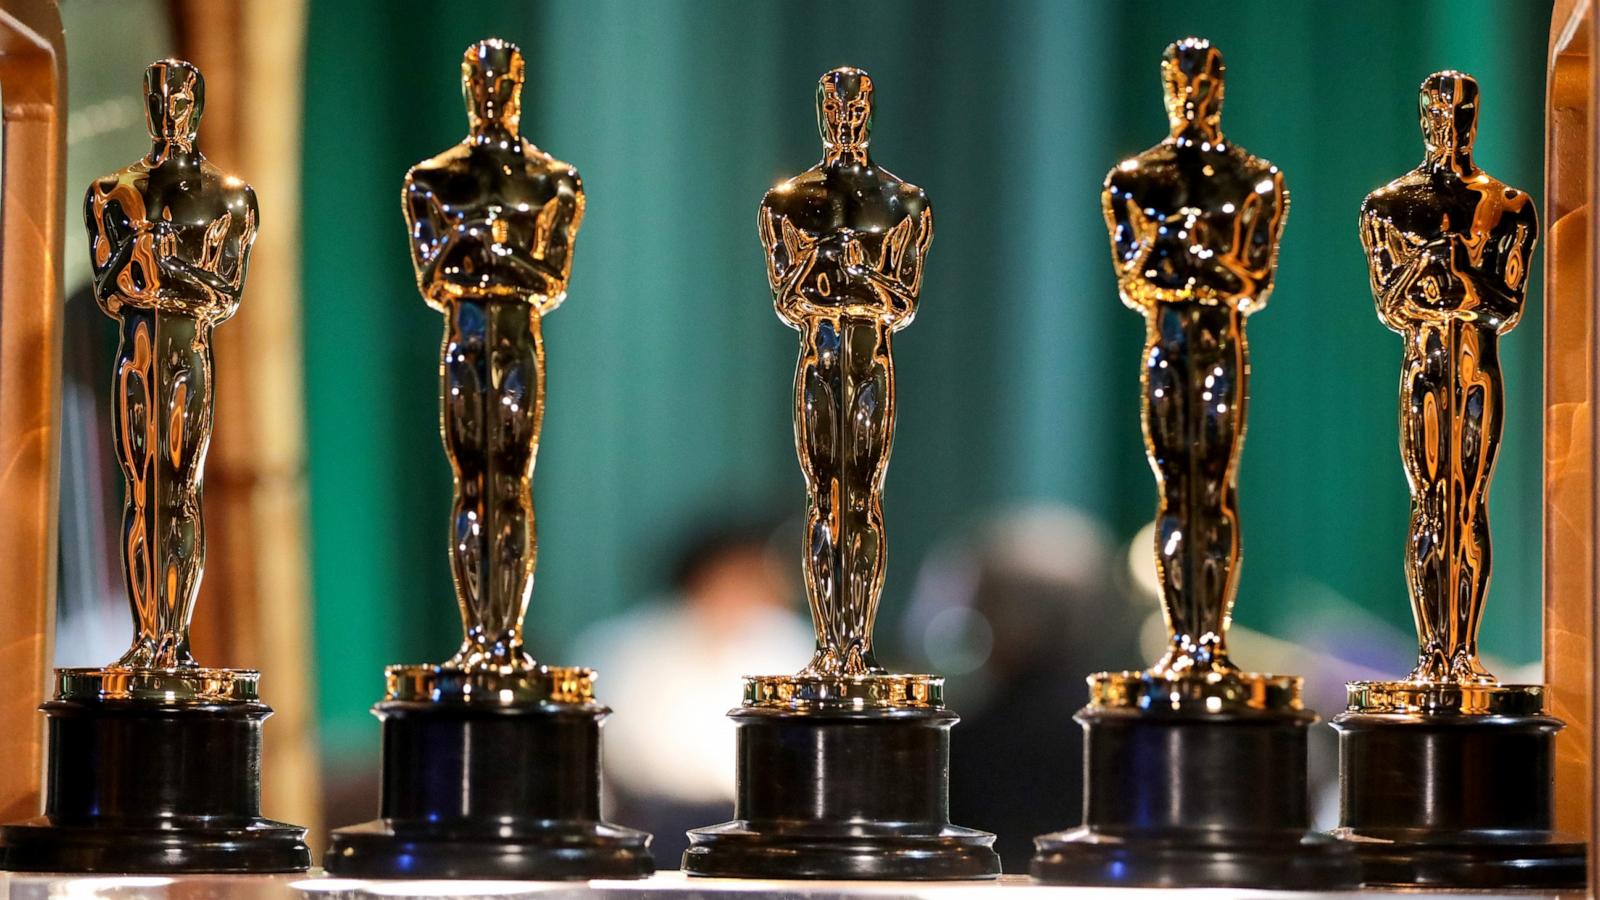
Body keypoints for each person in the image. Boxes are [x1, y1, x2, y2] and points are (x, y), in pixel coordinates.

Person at [1102, 37, 1287, 676]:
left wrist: (1188, 256)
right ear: (1166, 86)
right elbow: (1132, 281)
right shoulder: (1134, 181)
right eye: (1181, 79)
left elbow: (1253, 283)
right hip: (1168, 341)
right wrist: (1191, 261)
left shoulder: (1256, 180)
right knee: (1174, 490)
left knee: (1214, 488)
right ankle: (1186, 641)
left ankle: (1212, 642)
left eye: (1205, 78)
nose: (1194, 91)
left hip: (1218, 342)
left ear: (1220, 86)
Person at [403, 38, 585, 670]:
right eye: (481, 79)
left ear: (518, 85)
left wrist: (487, 254)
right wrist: (496, 258)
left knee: (510, 482)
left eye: (503, 79)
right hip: (466, 336)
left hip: (513, 339)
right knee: (471, 484)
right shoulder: (432, 180)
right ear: (466, 85)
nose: (492, 91)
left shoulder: (552, 182)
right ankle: (479, 637)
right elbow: (433, 279)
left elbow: (551, 281)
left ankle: (504, 638)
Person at [1359, 71, 1538, 683]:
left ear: (1475, 118)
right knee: (1430, 502)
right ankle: (1432, 651)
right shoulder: (1388, 205)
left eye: (1461, 111)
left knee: (1470, 504)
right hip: (1425, 360)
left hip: (1477, 360)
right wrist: (1431, 270)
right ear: (1423, 114)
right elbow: (1389, 305)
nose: (1450, 121)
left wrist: (1456, 271)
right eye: (1439, 108)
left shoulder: (1509, 205)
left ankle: (1463, 651)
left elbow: (1507, 305)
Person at [570, 518, 812, 868]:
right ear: (702, 575)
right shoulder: (629, 645)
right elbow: (621, 755)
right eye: (735, 576)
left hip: (760, 822)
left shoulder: (785, 642)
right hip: (654, 820)